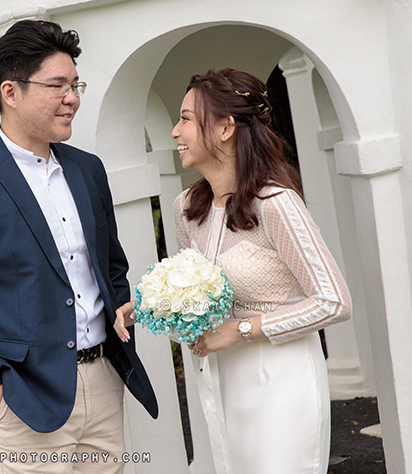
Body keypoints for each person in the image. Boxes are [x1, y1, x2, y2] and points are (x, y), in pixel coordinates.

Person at [0, 19, 158, 474]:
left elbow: (110, 266)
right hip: (19, 397)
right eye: (58, 85)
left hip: (103, 381)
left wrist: (120, 307)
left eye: (75, 84)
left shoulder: (88, 170)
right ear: (10, 92)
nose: (73, 98)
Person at [116, 68, 351, 473]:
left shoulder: (275, 204)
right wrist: (147, 304)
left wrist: (242, 330)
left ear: (226, 127)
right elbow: (194, 285)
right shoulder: (187, 207)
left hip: (279, 373)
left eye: (186, 118)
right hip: (220, 373)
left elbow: (333, 301)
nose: (174, 131)